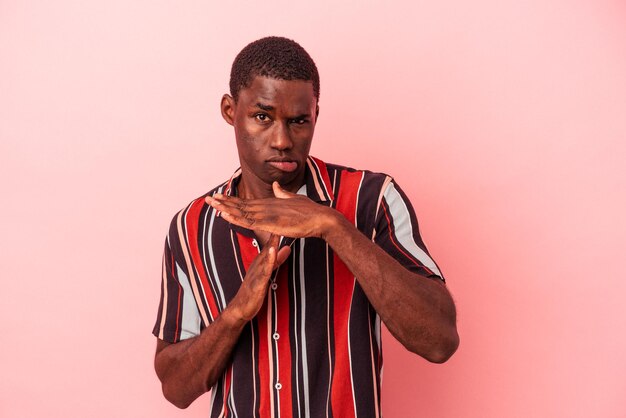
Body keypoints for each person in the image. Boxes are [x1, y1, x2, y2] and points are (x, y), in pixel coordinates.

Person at [153, 36, 459, 417]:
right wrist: (234, 316)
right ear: (230, 110)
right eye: (262, 117)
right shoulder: (190, 226)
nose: (282, 141)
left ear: (315, 115)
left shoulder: (372, 198)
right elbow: (175, 388)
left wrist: (335, 227)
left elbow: (440, 341)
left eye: (298, 121)